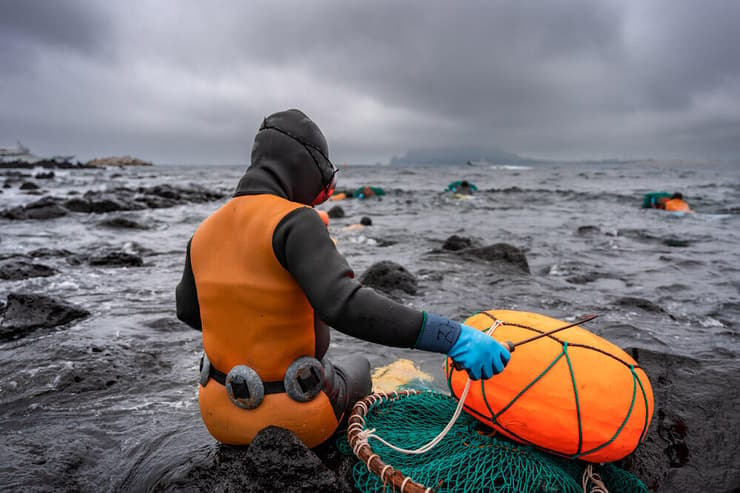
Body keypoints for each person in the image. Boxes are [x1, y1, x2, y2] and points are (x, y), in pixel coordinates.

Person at [175, 109, 510, 448]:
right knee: (360, 366)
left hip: (217, 415)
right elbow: (345, 306)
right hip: (296, 418)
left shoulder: (202, 234)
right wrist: (453, 337)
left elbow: (189, 312)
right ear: (304, 166)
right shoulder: (296, 221)